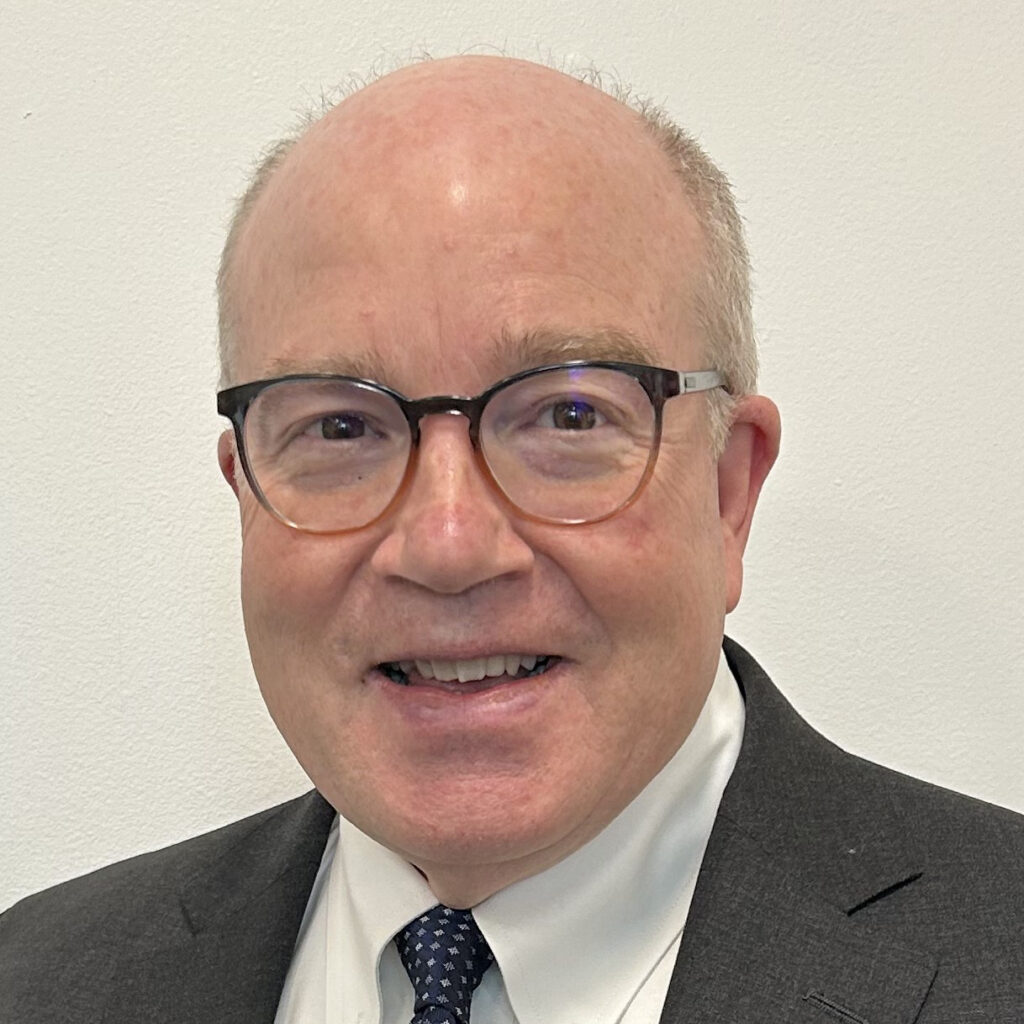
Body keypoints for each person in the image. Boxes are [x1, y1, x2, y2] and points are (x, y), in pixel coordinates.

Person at [2, 54, 1022, 1023]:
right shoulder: (38, 980)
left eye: (568, 417)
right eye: (340, 428)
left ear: (727, 491)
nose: (448, 544)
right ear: (247, 497)